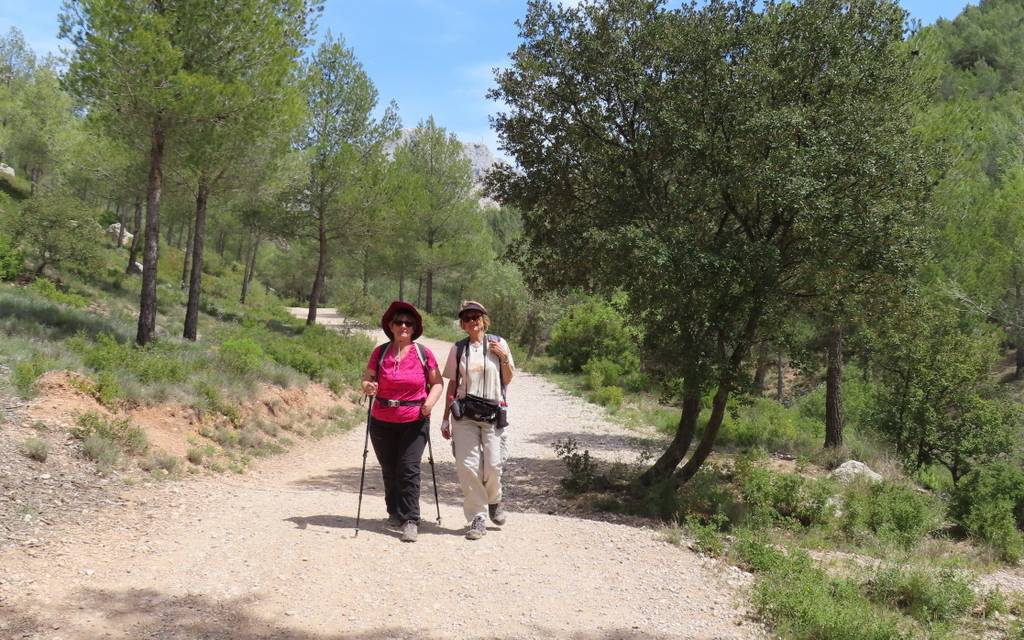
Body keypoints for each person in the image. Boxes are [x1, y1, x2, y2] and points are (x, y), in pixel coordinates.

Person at [361, 301, 443, 543]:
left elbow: (437, 383)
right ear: (390, 326)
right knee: (390, 469)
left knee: (408, 468)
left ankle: (410, 519)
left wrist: (430, 403)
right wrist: (369, 387)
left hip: (414, 420)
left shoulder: (423, 353)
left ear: (414, 327)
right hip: (382, 420)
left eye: (408, 322)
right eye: (399, 322)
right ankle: (394, 511)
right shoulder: (380, 352)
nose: (403, 326)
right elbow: (367, 381)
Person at [441, 301, 516, 540]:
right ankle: (478, 517)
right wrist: (445, 418)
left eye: (477, 317)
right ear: (463, 325)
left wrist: (503, 358)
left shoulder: (499, 344)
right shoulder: (459, 348)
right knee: (467, 466)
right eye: (468, 318)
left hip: (493, 413)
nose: (473, 321)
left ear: (484, 319)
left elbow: (508, 378)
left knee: (493, 465)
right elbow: (452, 384)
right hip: (465, 415)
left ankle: (494, 500)